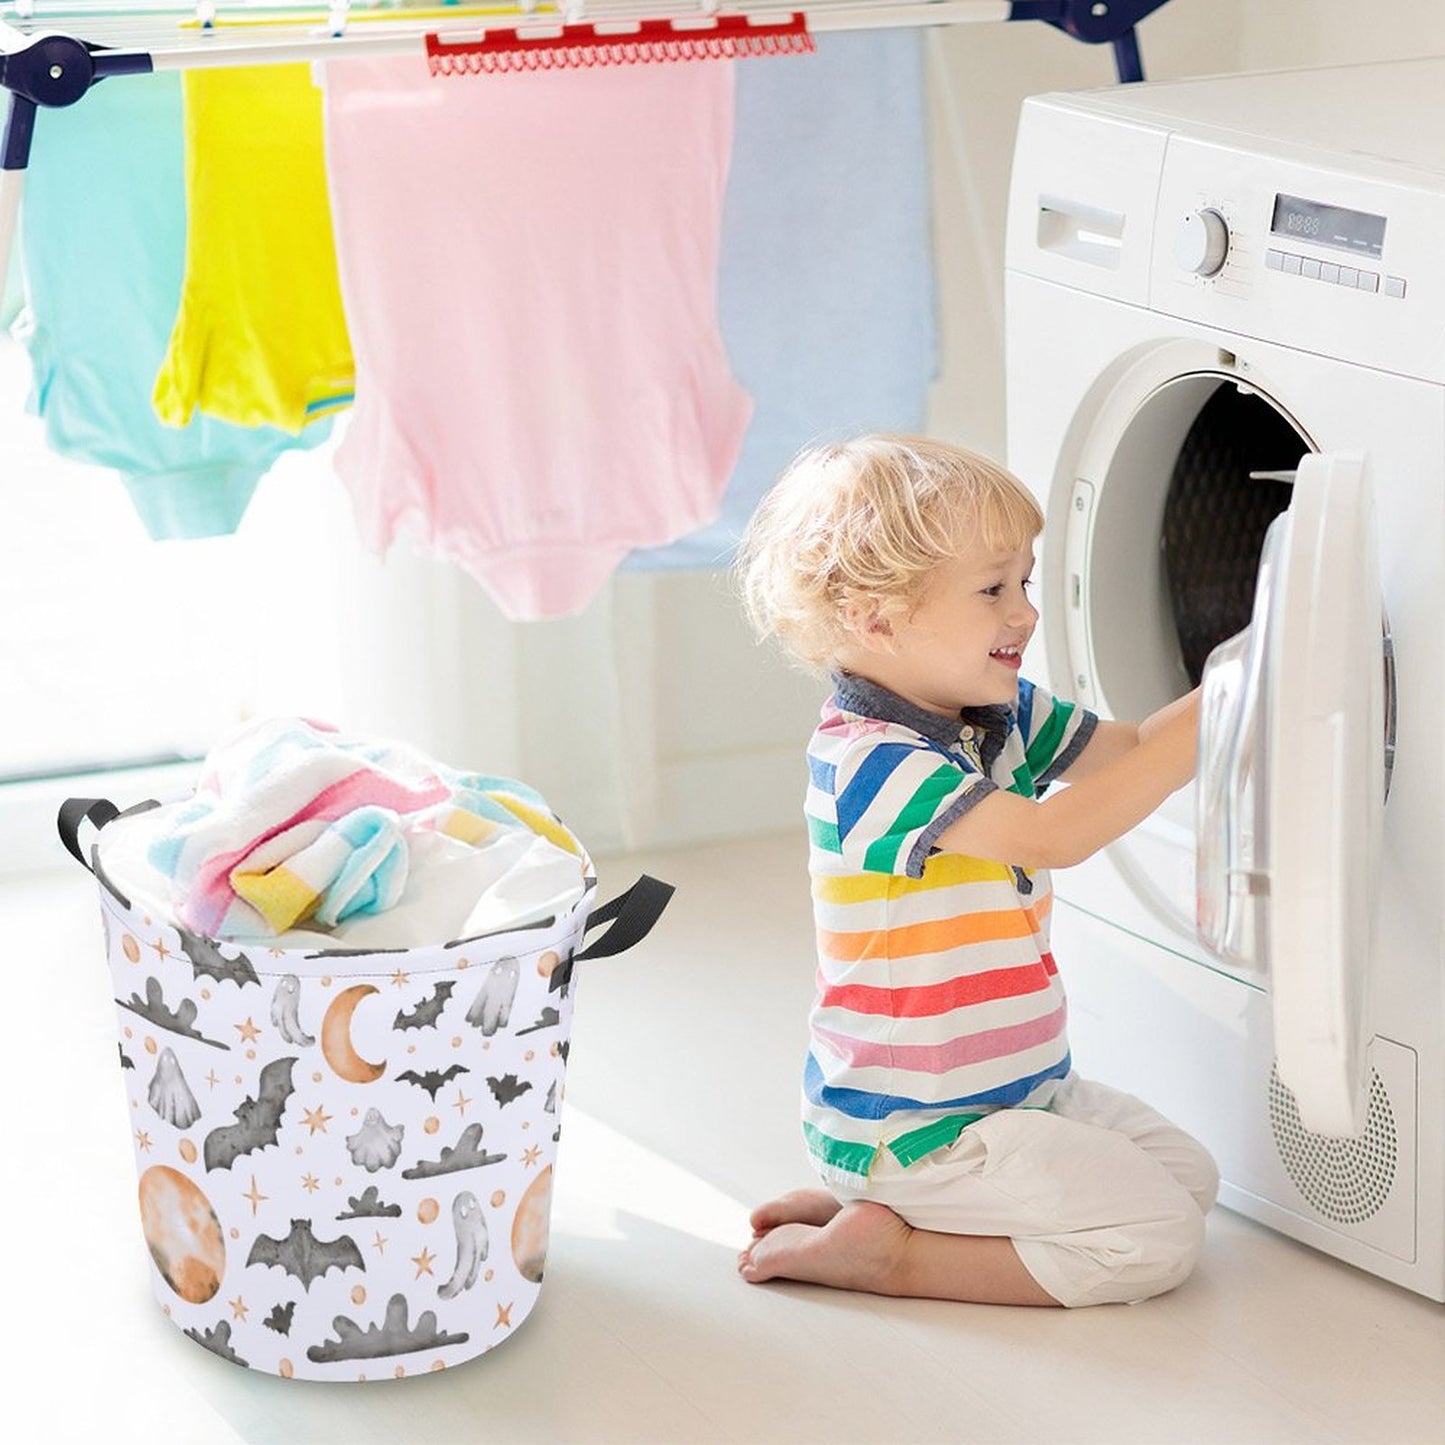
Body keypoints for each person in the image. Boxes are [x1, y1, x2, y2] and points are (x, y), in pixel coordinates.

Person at [733, 433, 1217, 1308]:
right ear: (875, 619)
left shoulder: (995, 712)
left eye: (1022, 582)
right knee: (1155, 1239)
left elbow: (1129, 751)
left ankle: (884, 1209)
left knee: (1192, 1180)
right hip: (918, 1122)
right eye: (993, 588)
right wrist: (1220, 709)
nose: (1024, 612)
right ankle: (890, 1251)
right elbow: (1048, 835)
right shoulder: (869, 762)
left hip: (1023, 1089)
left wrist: (1237, 678)